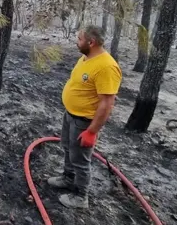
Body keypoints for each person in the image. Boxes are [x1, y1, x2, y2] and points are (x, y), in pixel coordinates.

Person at [48, 25, 122, 209]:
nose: (76, 41)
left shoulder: (107, 67)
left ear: (91, 42)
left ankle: (81, 197)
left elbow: (107, 103)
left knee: (80, 160)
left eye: (79, 38)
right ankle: (67, 178)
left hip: (84, 122)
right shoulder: (86, 57)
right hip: (70, 115)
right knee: (67, 148)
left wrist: (92, 131)